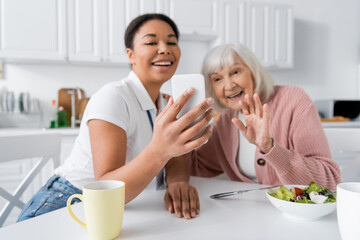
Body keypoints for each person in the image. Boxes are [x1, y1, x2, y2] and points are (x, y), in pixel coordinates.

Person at [18, 13, 214, 222]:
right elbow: (105, 189)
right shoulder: (113, 97)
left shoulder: (165, 103)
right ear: (130, 55)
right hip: (68, 203)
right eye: (151, 42)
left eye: (171, 42)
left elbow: (175, 158)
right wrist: (161, 149)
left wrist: (177, 183)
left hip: (123, 206)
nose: (164, 48)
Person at [186, 43, 341, 190]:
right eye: (217, 79)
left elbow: (330, 181)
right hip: (249, 212)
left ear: (253, 71)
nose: (229, 85)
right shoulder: (225, 122)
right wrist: (180, 118)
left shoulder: (293, 101)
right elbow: (195, 166)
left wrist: (269, 147)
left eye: (235, 72)